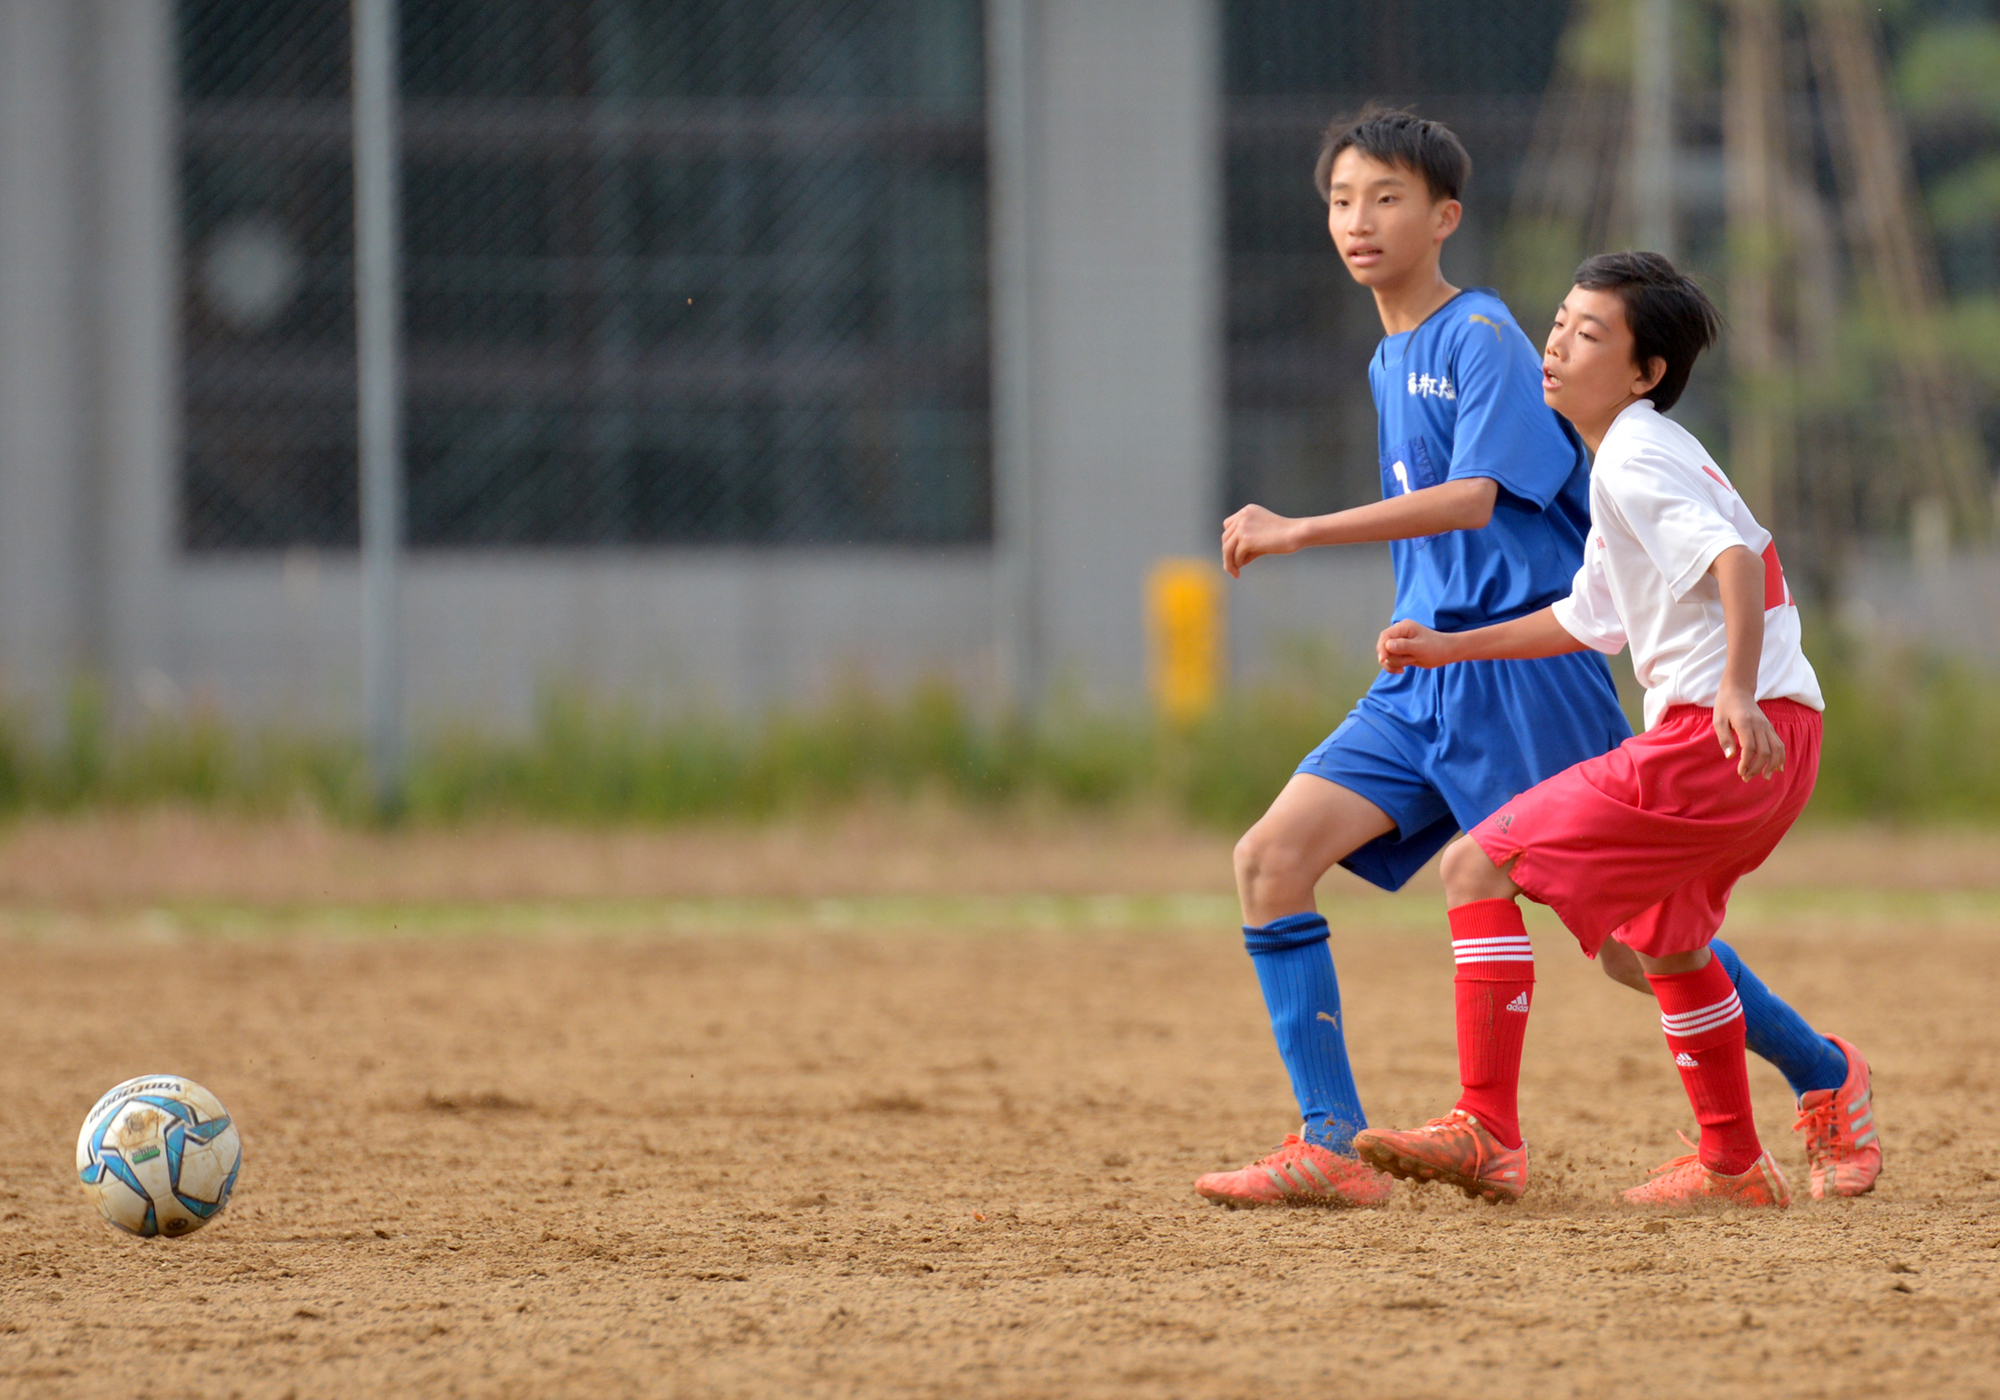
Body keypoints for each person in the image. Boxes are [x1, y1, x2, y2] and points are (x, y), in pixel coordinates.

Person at [1198, 110, 1878, 1210]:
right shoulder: (1390, 357)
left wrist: (1298, 529)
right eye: (1340, 199)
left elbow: (1475, 500)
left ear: (1444, 216)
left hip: (1525, 687)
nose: (1358, 219)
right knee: (1270, 858)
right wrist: (1435, 642)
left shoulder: (1485, 336)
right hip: (1427, 677)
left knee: (1635, 939)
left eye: (1385, 197)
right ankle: (1330, 1142)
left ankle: (1811, 1073)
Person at [1352, 251, 1877, 1208]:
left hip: (1719, 739)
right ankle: (1734, 1162)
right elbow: (1589, 617)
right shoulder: (1631, 457)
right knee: (1665, 944)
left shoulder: (1634, 457)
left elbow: (1731, 559)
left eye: (1588, 334)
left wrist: (1734, 690)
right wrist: (1450, 647)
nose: (1555, 345)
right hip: (1771, 739)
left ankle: (1485, 1128)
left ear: (1645, 374)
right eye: (1558, 323)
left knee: (1475, 865)